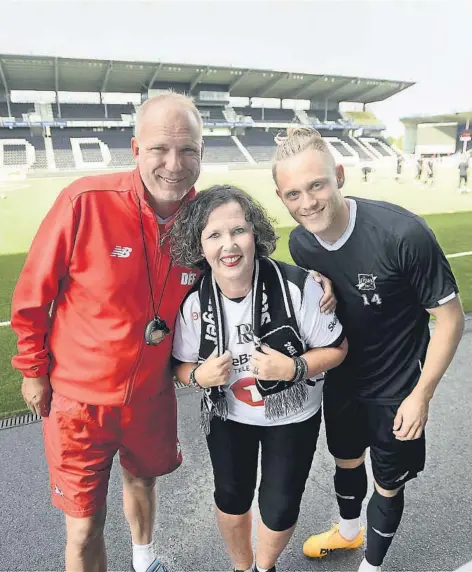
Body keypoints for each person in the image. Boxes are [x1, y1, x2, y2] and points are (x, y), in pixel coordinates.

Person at [10, 92, 206, 572]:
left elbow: (251, 260)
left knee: (143, 482)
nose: (174, 164)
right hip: (80, 402)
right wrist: (33, 370)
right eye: (161, 149)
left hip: (151, 396)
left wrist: (314, 280)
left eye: (189, 151)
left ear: (203, 153)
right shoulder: (85, 201)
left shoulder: (206, 219)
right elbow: (34, 291)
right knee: (82, 529)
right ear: (137, 150)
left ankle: (144, 560)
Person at [273, 127, 465, 572]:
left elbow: (450, 318)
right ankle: (347, 529)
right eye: (294, 194)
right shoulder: (301, 243)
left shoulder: (403, 234)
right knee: (345, 460)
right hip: (341, 379)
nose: (309, 203)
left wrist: (422, 395)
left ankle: (372, 567)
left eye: (317, 185)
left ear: (338, 176)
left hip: (396, 389)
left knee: (388, 482)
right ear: (282, 197)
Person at [168, 185, 348, 572]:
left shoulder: (301, 288)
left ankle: (265, 568)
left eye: (238, 231)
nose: (228, 245)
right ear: (200, 247)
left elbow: (337, 349)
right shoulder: (195, 303)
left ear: (256, 235)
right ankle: (241, 567)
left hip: (293, 415)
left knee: (280, 506)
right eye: (214, 235)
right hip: (229, 415)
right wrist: (199, 374)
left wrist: (294, 368)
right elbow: (180, 366)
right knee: (231, 497)